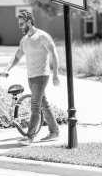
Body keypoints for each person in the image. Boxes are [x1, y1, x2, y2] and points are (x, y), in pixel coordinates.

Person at [4, 10, 60, 146]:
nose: (20, 27)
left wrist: (55, 74)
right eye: (19, 24)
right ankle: (54, 132)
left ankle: (29, 137)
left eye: (22, 24)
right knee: (43, 104)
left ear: (29, 22)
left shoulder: (42, 36)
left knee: (35, 106)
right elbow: (17, 56)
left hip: (42, 76)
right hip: (31, 77)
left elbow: (54, 53)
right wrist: (7, 68)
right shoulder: (24, 40)